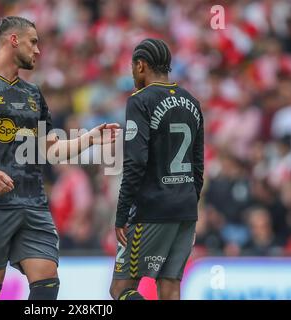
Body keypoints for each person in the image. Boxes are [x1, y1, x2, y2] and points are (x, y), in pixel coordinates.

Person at [0, 16, 119, 300]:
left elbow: (50, 151)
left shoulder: (33, 94)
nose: (38, 50)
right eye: (33, 42)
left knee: (47, 282)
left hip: (34, 203)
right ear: (13, 40)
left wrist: (89, 138)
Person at [109, 39, 204, 300]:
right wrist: (188, 203)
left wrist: (121, 214)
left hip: (152, 209)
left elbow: (135, 162)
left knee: (121, 289)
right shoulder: (192, 101)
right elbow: (198, 166)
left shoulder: (140, 100)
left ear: (140, 65)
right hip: (185, 209)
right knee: (170, 288)